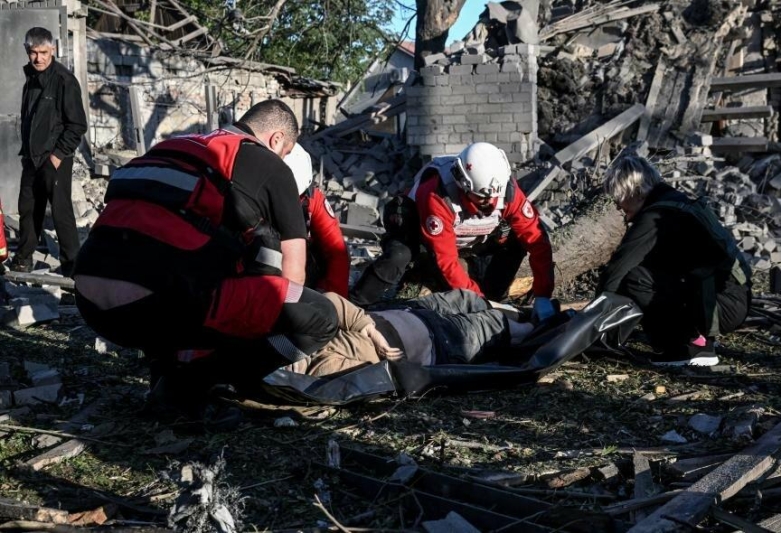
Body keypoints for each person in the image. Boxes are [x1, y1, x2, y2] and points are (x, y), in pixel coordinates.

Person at [73, 99, 338, 407]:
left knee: (195, 266)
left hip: (91, 302)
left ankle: (168, 369)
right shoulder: (270, 165)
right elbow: (293, 274)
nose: (284, 158)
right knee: (320, 317)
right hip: (157, 307)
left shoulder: (174, 147)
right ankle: (200, 381)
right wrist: (261, 339)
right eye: (286, 152)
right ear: (277, 139)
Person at [349, 142, 555, 320]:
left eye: (494, 197)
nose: (490, 203)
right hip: (424, 238)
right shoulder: (437, 194)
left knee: (516, 242)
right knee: (399, 255)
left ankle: (496, 297)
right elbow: (446, 261)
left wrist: (543, 294)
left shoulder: (507, 190)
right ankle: (356, 304)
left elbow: (537, 242)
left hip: (472, 239)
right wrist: (477, 301)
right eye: (482, 198)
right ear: (463, 185)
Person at [597, 154, 752, 366]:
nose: (618, 206)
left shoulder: (655, 215)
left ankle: (685, 348)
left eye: (619, 198)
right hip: (732, 298)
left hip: (720, 306)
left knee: (634, 278)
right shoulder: (676, 202)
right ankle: (699, 341)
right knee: (651, 271)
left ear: (634, 191)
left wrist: (593, 320)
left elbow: (617, 269)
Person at [281, 289, 543, 377]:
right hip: (440, 343)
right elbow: (377, 376)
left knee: (468, 298)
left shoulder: (302, 333)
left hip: (407, 312)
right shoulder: (322, 369)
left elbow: (331, 301)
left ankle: (524, 311)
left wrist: (370, 331)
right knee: (499, 326)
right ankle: (544, 324)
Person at [8, 27, 87, 277]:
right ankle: (23, 259)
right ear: (27, 51)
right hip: (32, 158)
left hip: (55, 158)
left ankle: (72, 267)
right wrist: (27, 154)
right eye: (34, 52)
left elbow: (77, 125)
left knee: (61, 212)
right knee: (28, 209)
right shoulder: (31, 79)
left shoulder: (65, 80)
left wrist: (57, 156)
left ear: (52, 49)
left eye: (43, 52)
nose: (38, 58)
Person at [284, 143, 350, 297]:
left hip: (300, 272)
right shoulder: (247, 197)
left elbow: (336, 251)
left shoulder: (313, 201)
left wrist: (332, 300)